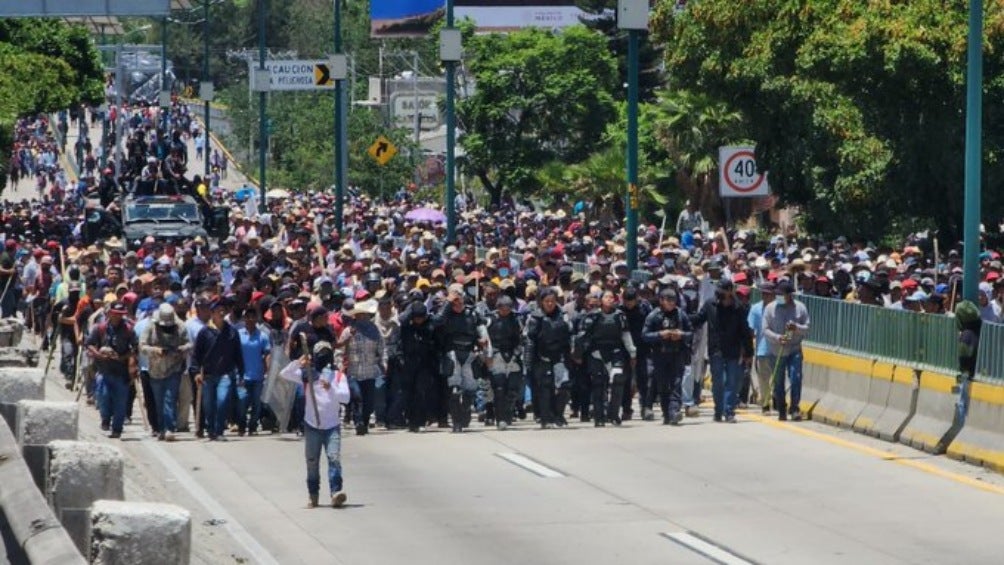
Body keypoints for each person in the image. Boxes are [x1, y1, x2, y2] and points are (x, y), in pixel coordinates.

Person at [279, 340, 350, 509]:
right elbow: (284, 373)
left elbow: (345, 397)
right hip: (312, 425)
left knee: (334, 458)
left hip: (332, 425)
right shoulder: (307, 375)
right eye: (321, 353)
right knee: (312, 462)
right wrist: (299, 362)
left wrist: (330, 388)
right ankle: (313, 494)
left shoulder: (338, 376)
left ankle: (336, 492)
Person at [690, 280, 752, 423]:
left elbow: (745, 331)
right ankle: (718, 410)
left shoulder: (739, 308)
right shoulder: (710, 304)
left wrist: (748, 352)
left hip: (733, 350)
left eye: (723, 291)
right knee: (718, 381)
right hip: (716, 350)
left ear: (730, 291)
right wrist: (683, 318)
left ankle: (729, 411)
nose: (719, 293)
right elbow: (699, 318)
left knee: (732, 382)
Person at [574, 290, 637, 427]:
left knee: (618, 380)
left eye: (612, 297)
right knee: (598, 385)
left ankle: (613, 414)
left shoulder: (620, 316)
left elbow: (626, 335)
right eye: (606, 297)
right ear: (601, 300)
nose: (609, 299)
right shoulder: (592, 316)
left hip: (616, 352)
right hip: (597, 353)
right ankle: (599, 416)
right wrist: (578, 354)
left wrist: (632, 353)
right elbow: (582, 336)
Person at [434, 284, 491, 433]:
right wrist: (448, 303)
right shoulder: (445, 313)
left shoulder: (472, 313)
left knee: (470, 389)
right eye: (454, 299)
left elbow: (482, 328)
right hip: (451, 354)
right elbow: (436, 322)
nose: (457, 302)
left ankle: (466, 412)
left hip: (470, 354)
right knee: (454, 390)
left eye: (459, 298)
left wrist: (483, 342)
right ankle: (456, 423)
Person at [192, 296, 245, 441]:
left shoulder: (232, 332)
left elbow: (238, 354)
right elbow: (196, 354)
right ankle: (211, 430)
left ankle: (219, 430)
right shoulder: (204, 332)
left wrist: (241, 373)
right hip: (208, 375)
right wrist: (196, 372)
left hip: (225, 374)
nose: (221, 313)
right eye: (218, 311)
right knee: (208, 405)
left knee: (222, 401)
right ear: (212, 313)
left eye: (223, 311)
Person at [85, 301, 138, 439]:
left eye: (121, 315)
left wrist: (124, 358)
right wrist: (98, 354)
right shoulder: (100, 328)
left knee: (120, 402)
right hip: (104, 370)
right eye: (115, 314)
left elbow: (135, 348)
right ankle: (105, 418)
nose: (118, 317)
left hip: (121, 372)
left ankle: (117, 429)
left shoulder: (129, 330)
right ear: (109, 313)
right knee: (103, 397)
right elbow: (89, 344)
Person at [140, 303, 192, 441]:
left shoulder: (180, 326)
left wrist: (181, 349)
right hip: (156, 369)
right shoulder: (151, 326)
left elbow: (189, 344)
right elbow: (142, 346)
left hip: (173, 368)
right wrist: (155, 351)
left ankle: (170, 428)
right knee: (159, 401)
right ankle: (161, 428)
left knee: (170, 398)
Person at [642, 288, 693, 425]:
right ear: (661, 300)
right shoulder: (654, 315)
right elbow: (645, 335)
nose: (671, 303)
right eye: (668, 300)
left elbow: (691, 333)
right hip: (660, 355)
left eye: (673, 300)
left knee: (676, 384)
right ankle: (667, 413)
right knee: (663, 386)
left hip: (677, 354)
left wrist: (681, 335)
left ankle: (674, 411)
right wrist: (660, 335)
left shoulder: (681, 314)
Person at [523, 287, 572, 429]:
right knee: (545, 388)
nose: (550, 304)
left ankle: (559, 415)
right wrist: (529, 361)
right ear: (541, 302)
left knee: (564, 386)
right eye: (546, 301)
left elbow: (570, 335)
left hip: (559, 356)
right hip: (541, 357)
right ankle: (546, 417)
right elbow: (529, 339)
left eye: (552, 301)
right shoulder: (535, 317)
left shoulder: (563, 315)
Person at [763, 281, 810, 421]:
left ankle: (795, 407)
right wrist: (777, 338)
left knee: (796, 377)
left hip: (794, 348)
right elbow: (765, 329)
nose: (779, 297)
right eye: (777, 294)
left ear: (789, 295)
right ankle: (781, 408)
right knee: (778, 381)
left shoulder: (800, 308)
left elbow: (807, 327)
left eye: (781, 294)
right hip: (776, 350)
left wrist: (797, 328)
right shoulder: (770, 308)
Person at [339, 300, 385, 436]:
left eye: (365, 315)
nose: (362, 317)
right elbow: (340, 349)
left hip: (370, 371)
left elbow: (382, 348)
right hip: (353, 371)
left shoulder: (375, 330)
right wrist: (340, 365)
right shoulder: (348, 331)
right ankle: (358, 422)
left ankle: (365, 422)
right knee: (357, 397)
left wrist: (384, 363)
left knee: (369, 401)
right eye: (359, 315)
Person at [485, 295, 524, 429]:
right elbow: (483, 337)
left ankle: (508, 415)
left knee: (512, 389)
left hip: (514, 354)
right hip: (496, 354)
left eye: (508, 307)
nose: (505, 310)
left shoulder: (517, 319)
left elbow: (523, 337)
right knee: (499, 388)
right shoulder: (490, 319)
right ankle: (500, 418)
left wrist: (519, 352)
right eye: (503, 307)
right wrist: (486, 354)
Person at [237, 308, 272, 435]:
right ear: (244, 319)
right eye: (248, 317)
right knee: (242, 402)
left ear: (256, 318)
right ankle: (241, 425)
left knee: (257, 404)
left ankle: (252, 426)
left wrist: (267, 371)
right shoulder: (238, 334)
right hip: (242, 376)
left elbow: (267, 354)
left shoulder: (263, 336)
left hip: (258, 376)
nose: (250, 319)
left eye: (253, 316)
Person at [747, 282, 776, 413]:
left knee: (777, 378)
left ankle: (777, 400)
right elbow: (751, 330)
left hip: (777, 349)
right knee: (763, 379)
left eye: (768, 293)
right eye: (763, 293)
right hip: (762, 349)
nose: (765, 295)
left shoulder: (779, 308)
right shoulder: (755, 308)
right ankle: (765, 403)